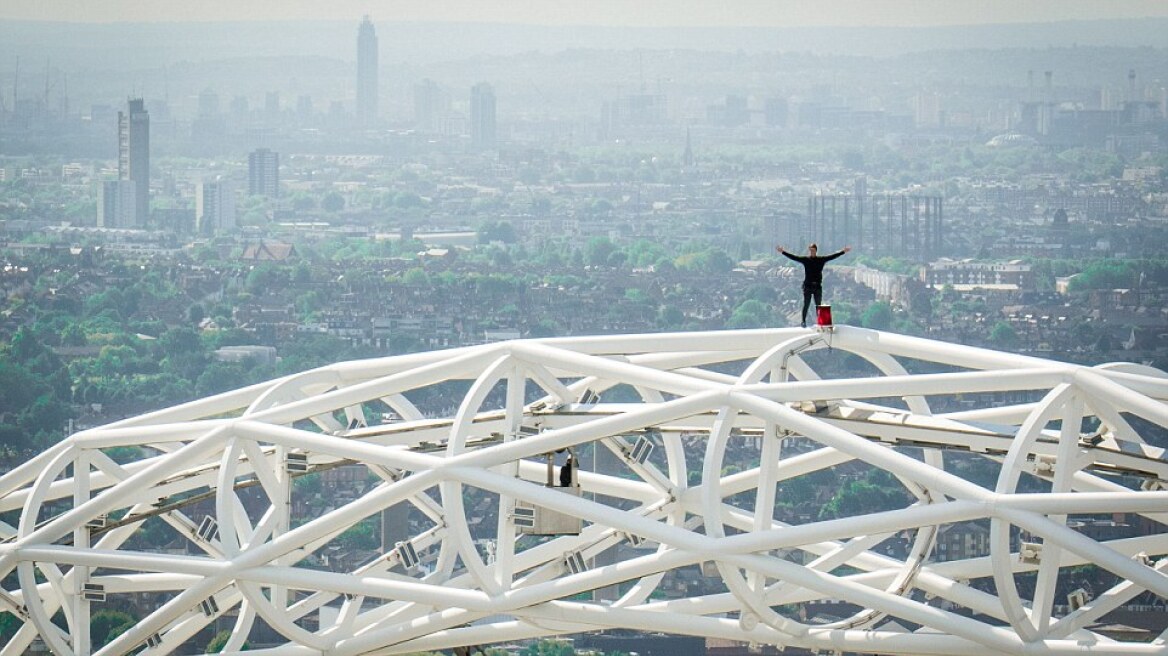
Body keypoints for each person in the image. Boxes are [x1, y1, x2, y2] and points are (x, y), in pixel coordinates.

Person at [776, 243, 851, 327]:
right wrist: (783, 252)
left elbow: (832, 256)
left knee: (818, 305)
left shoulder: (821, 260)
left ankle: (820, 322)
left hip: (817, 286)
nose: (812, 252)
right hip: (808, 286)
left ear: (816, 251)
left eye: (813, 250)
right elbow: (794, 257)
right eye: (811, 250)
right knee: (806, 304)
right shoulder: (806, 260)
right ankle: (803, 321)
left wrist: (843, 252)